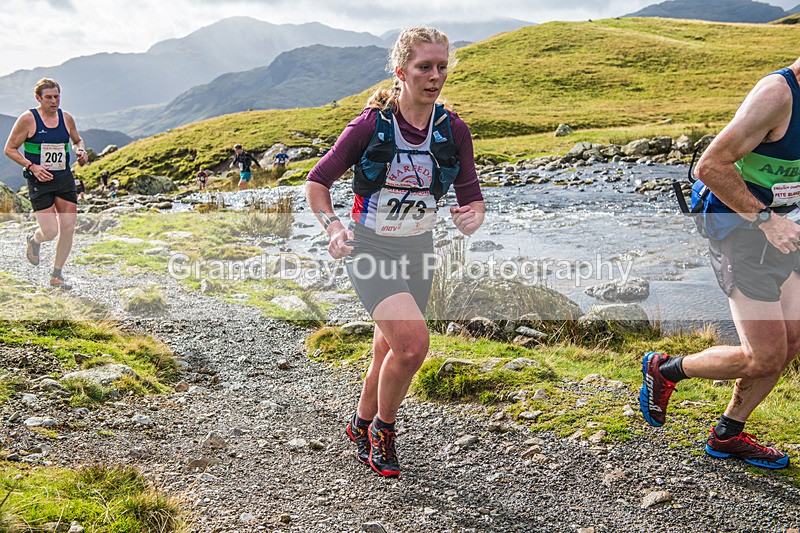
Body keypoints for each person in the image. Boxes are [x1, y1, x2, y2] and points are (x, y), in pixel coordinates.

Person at [306, 27, 485, 478]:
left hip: (419, 250)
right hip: (369, 247)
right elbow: (317, 181)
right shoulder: (371, 125)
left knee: (387, 349)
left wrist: (472, 215)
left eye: (442, 67)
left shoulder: (453, 130)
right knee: (412, 345)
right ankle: (383, 434)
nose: (436, 76)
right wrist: (333, 226)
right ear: (402, 71)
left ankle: (360, 422)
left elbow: (472, 195)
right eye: (425, 66)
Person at [640, 58, 800, 469]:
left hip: (788, 229)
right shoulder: (777, 95)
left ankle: (728, 434)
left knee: (792, 340)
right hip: (745, 232)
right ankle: (666, 369)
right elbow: (710, 166)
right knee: (763, 356)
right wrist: (766, 220)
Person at [3, 78, 89, 290]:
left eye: (57, 96)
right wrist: (32, 166)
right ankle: (34, 240)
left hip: (63, 178)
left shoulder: (66, 118)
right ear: (38, 98)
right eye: (48, 97)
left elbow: (77, 140)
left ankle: (57, 275)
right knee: (50, 232)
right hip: (39, 181)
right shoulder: (28, 119)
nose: (54, 101)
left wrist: (80, 151)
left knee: (68, 227)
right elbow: (10, 149)